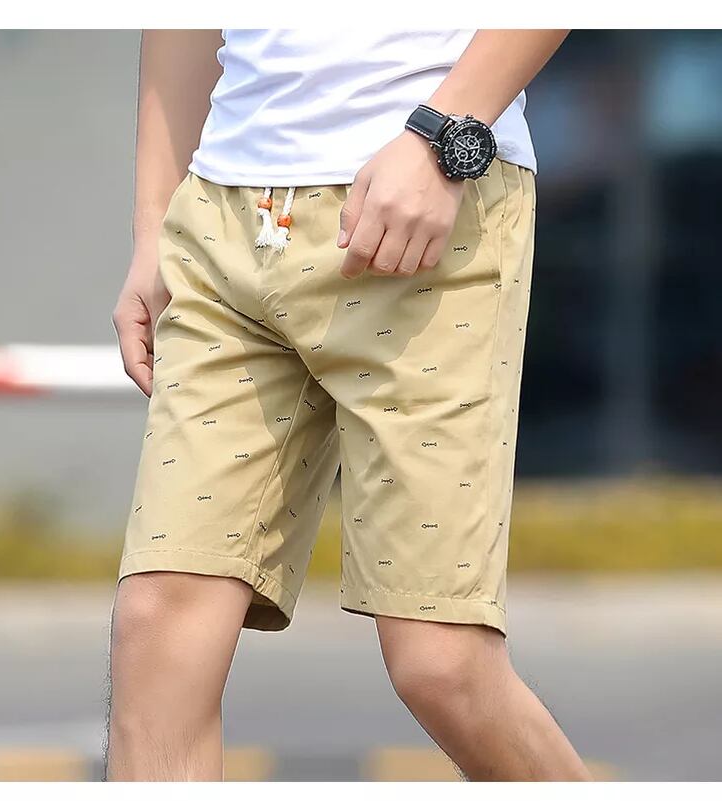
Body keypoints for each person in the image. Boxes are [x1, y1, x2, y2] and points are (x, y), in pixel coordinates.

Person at [107, 28, 591, 782]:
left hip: (423, 204)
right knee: (158, 627)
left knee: (441, 661)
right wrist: (152, 226)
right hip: (223, 214)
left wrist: (442, 134)